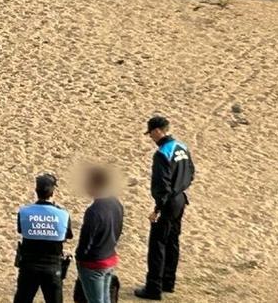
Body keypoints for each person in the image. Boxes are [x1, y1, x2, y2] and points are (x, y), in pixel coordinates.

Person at [134, 116, 195, 300]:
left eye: (151, 133)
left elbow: (162, 185)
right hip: (180, 199)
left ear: (157, 131)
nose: (151, 138)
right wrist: (179, 189)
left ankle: (154, 287)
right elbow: (191, 172)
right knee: (173, 241)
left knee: (157, 244)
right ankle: (169, 282)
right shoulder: (182, 147)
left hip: (168, 202)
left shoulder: (162, 153)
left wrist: (157, 209)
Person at [14, 173, 73, 303]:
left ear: (36, 191)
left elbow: (21, 230)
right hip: (52, 266)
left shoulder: (24, 212)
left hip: (29, 265)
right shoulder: (63, 214)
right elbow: (67, 235)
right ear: (53, 192)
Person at [76, 166, 124, 303]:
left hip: (94, 263)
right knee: (105, 299)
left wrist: (80, 258)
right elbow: (119, 229)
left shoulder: (93, 211)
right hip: (109, 257)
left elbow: (86, 241)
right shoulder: (116, 203)